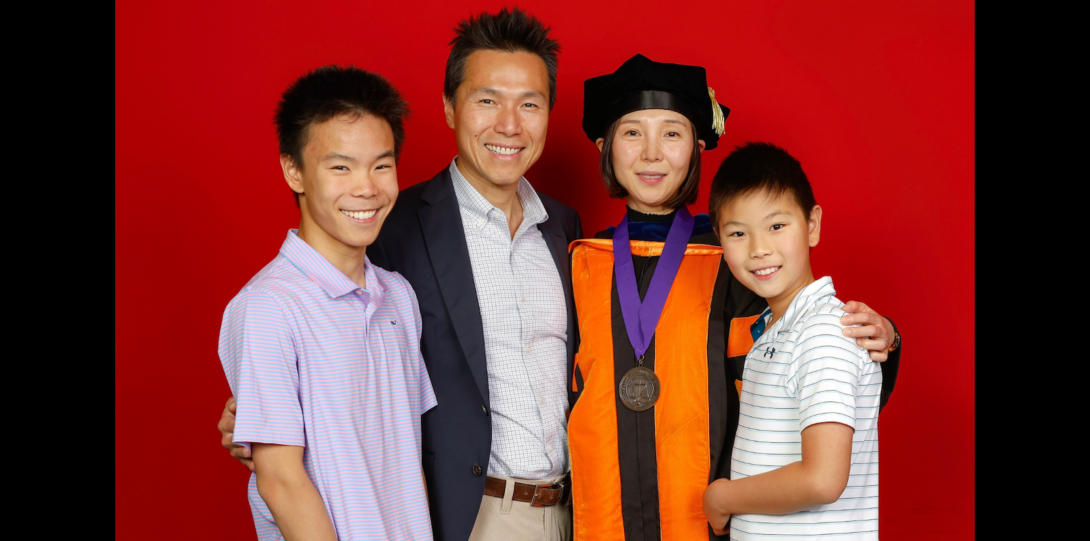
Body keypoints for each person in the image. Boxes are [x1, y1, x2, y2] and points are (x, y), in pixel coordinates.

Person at [219, 8, 579, 541]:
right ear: (450, 107)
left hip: (572, 509)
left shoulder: (563, 227)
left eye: (530, 103)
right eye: (487, 100)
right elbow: (290, 450)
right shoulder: (392, 229)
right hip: (472, 515)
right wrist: (260, 421)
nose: (510, 124)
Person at [567, 55, 902, 541]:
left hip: (712, 517)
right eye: (632, 133)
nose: (652, 153)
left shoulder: (731, 256)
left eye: (673, 133)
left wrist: (884, 337)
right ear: (605, 148)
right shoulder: (584, 260)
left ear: (698, 148)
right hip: (605, 510)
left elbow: (809, 347)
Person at [217, 65, 436, 540]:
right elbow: (281, 479)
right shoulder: (268, 307)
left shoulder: (399, 295)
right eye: (340, 166)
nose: (367, 188)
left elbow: (406, 453)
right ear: (293, 170)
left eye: (382, 164)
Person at [701, 142, 882, 540]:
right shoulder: (772, 330)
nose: (759, 248)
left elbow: (822, 480)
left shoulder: (824, 332)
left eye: (777, 226)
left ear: (812, 225)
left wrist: (724, 496)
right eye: (737, 233)